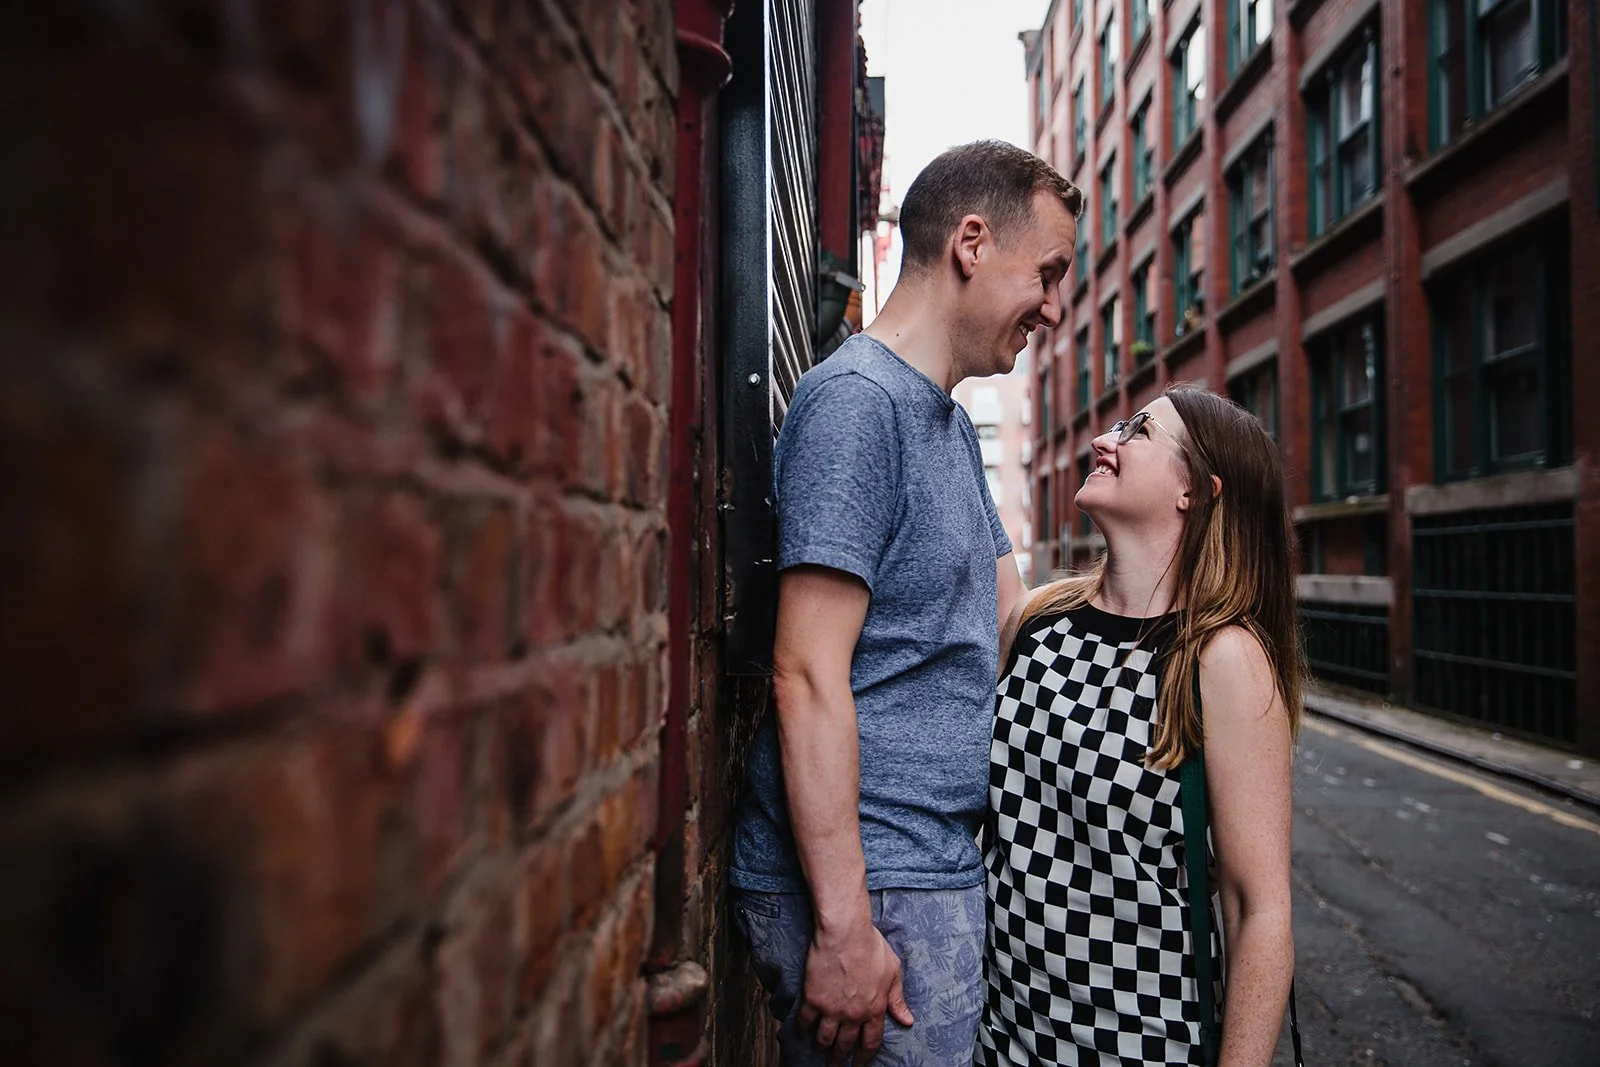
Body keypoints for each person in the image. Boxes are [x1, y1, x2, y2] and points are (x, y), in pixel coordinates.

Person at [729, 140, 1083, 1066]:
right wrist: (845, 929)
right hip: (875, 891)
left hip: (926, 873)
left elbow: (1007, 625)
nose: (1053, 306)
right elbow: (805, 673)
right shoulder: (858, 406)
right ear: (972, 241)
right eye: (1046, 273)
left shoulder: (945, 422)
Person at [977, 389, 1301, 1067]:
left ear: (1194, 490)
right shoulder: (1037, 623)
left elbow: (1258, 909)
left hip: (1138, 1045)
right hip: (999, 1040)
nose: (1105, 439)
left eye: (1139, 431)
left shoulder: (1220, 658)